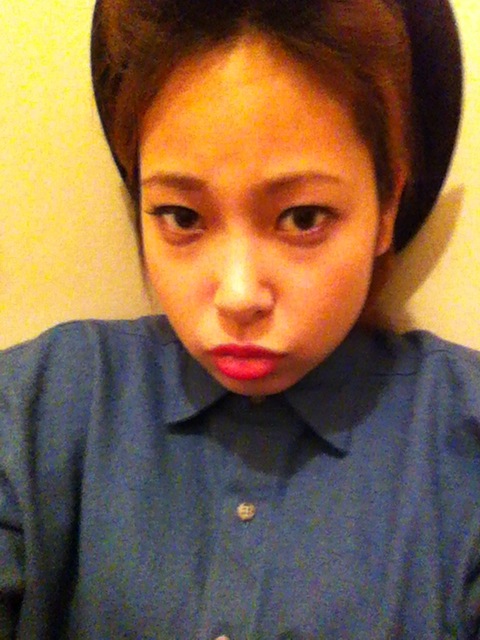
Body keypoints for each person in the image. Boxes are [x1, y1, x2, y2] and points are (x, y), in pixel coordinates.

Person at [0, 0, 478, 638]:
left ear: (387, 206)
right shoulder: (36, 410)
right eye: (182, 217)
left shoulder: (463, 438)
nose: (238, 295)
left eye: (303, 218)